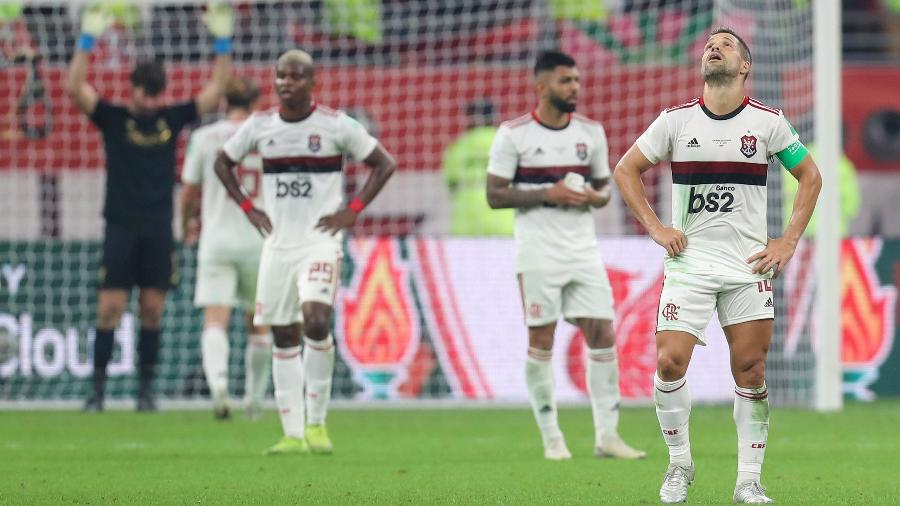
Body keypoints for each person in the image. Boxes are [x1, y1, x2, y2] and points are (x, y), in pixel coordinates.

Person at [613, 28, 822, 504]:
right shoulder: (675, 122)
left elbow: (810, 176)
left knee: (750, 370)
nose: (714, 47)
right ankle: (679, 465)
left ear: (745, 66)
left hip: (748, 266)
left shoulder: (768, 124)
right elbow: (626, 169)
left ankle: (748, 479)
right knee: (668, 362)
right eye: (709, 43)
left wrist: (787, 241)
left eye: (727, 44)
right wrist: (655, 227)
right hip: (689, 264)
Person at [214, 49, 396, 455]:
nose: (286, 83)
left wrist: (352, 211)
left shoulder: (335, 125)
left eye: (296, 77)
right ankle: (292, 434)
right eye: (281, 76)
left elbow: (384, 164)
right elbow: (222, 163)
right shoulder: (260, 127)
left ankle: (317, 424)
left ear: (312, 83)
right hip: (278, 245)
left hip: (320, 241)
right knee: (283, 333)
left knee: (316, 320)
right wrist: (248, 206)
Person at [67, 4, 234, 412]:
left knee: (152, 310)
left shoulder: (171, 118)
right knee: (109, 309)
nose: (147, 100)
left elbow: (215, 91)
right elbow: (74, 88)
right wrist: (87, 40)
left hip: (159, 227)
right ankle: (98, 391)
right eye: (142, 93)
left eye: (153, 94)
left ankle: (145, 392)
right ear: (131, 91)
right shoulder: (113, 117)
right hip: (120, 225)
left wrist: (222, 42)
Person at [486, 51, 646, 461]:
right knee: (541, 339)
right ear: (541, 87)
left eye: (576, 80)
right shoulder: (513, 134)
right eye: (564, 81)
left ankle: (607, 436)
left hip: (583, 251)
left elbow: (604, 189)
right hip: (537, 254)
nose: (574, 87)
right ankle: (552, 438)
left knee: (603, 334)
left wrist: (594, 197)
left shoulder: (591, 133)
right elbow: (494, 195)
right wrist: (547, 192)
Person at [179, 76, 271, 421]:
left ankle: (218, 386)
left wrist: (185, 224)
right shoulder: (269, 138)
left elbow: (189, 191)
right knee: (259, 324)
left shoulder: (204, 138)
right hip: (260, 241)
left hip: (216, 240)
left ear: (223, 103)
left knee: (215, 321)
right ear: (255, 103)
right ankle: (254, 399)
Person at [442, 99, 513, 236]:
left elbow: (450, 184)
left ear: (470, 118)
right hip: (504, 223)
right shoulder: (508, 144)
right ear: (494, 117)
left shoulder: (458, 148)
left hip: (468, 225)